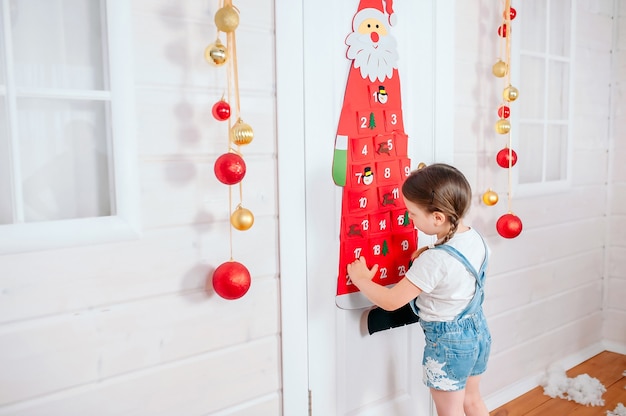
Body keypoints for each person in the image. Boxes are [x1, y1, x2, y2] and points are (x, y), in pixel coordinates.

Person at [347, 163, 491, 416]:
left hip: (449, 344)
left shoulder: (434, 262)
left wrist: (361, 280)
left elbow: (392, 301)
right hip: (477, 331)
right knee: (473, 402)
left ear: (437, 217)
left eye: (412, 214)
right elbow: (456, 270)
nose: (410, 221)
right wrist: (431, 251)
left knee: (450, 412)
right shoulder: (474, 238)